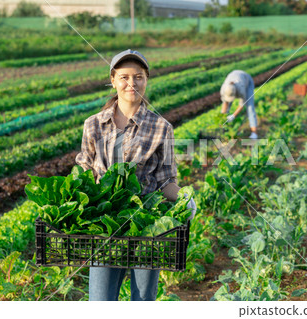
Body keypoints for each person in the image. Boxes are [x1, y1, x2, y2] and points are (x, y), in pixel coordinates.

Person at [76, 49, 197, 301]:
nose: (132, 83)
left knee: (142, 301)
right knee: (100, 301)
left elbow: (165, 181)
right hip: (104, 226)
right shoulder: (93, 124)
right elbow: (84, 172)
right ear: (113, 80)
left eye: (139, 76)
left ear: (147, 79)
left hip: (145, 227)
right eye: (124, 77)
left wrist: (185, 200)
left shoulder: (161, 127)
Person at [220, 70, 258, 139]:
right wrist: (222, 117)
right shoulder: (224, 89)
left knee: (250, 108)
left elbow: (242, 104)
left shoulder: (241, 89)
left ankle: (254, 133)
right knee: (225, 111)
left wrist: (233, 116)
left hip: (247, 82)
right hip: (234, 75)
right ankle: (225, 131)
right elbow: (225, 104)